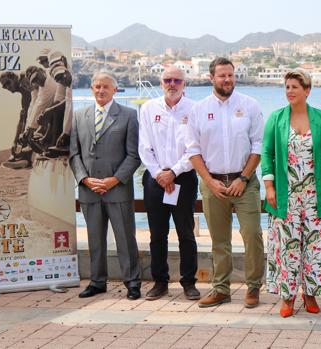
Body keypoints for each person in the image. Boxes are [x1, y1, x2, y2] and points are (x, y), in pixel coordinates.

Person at [186, 57, 264, 308]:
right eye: (222, 75)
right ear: (211, 78)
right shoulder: (198, 110)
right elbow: (193, 150)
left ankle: (253, 288)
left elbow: (258, 146)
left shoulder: (250, 105)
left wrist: (243, 178)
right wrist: (209, 181)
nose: (228, 79)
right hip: (213, 183)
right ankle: (221, 289)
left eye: (231, 75)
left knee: (252, 234)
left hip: (245, 182)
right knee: (219, 240)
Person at [261, 69, 321, 317]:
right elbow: (266, 154)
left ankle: (311, 294)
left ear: (307, 90)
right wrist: (269, 186)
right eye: (287, 87)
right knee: (287, 248)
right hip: (286, 196)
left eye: (295, 86)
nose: (290, 91)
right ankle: (288, 297)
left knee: (315, 246)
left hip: (315, 197)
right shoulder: (276, 118)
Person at [69, 70, 142, 300]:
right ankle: (97, 282)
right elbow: (74, 154)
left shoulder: (129, 116)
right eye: (97, 86)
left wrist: (114, 180)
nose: (101, 90)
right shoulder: (79, 116)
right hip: (89, 190)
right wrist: (85, 179)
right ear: (92, 89)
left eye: (105, 87)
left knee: (125, 239)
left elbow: (133, 155)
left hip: (117, 189)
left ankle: (132, 283)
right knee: (95, 239)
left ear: (114, 90)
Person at [138, 66, 200, 301]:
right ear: (161, 82)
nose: (172, 84)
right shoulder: (148, 108)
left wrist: (173, 172)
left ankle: (189, 282)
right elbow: (144, 146)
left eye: (177, 80)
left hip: (183, 176)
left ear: (185, 84)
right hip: (155, 178)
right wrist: (159, 174)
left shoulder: (195, 109)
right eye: (167, 80)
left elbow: (195, 147)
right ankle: (160, 282)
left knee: (186, 233)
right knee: (157, 234)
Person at [0, 72, 33, 169]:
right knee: (24, 119)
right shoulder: (23, 94)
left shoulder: (24, 85)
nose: (7, 87)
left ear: (14, 78)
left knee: (28, 123)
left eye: (7, 83)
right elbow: (21, 119)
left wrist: (18, 139)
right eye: (4, 86)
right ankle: (21, 157)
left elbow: (26, 119)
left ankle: (25, 158)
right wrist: (15, 141)